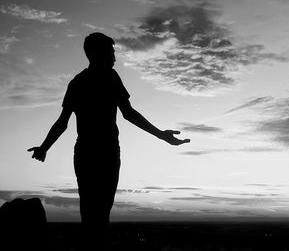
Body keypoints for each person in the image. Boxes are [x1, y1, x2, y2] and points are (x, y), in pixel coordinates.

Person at [28, 32, 190, 248]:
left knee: (93, 211)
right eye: (112, 52)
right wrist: (161, 135)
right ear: (99, 54)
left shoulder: (79, 82)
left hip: (89, 153)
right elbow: (128, 113)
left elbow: (63, 122)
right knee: (99, 211)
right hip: (104, 153)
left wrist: (44, 148)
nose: (115, 57)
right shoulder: (108, 78)